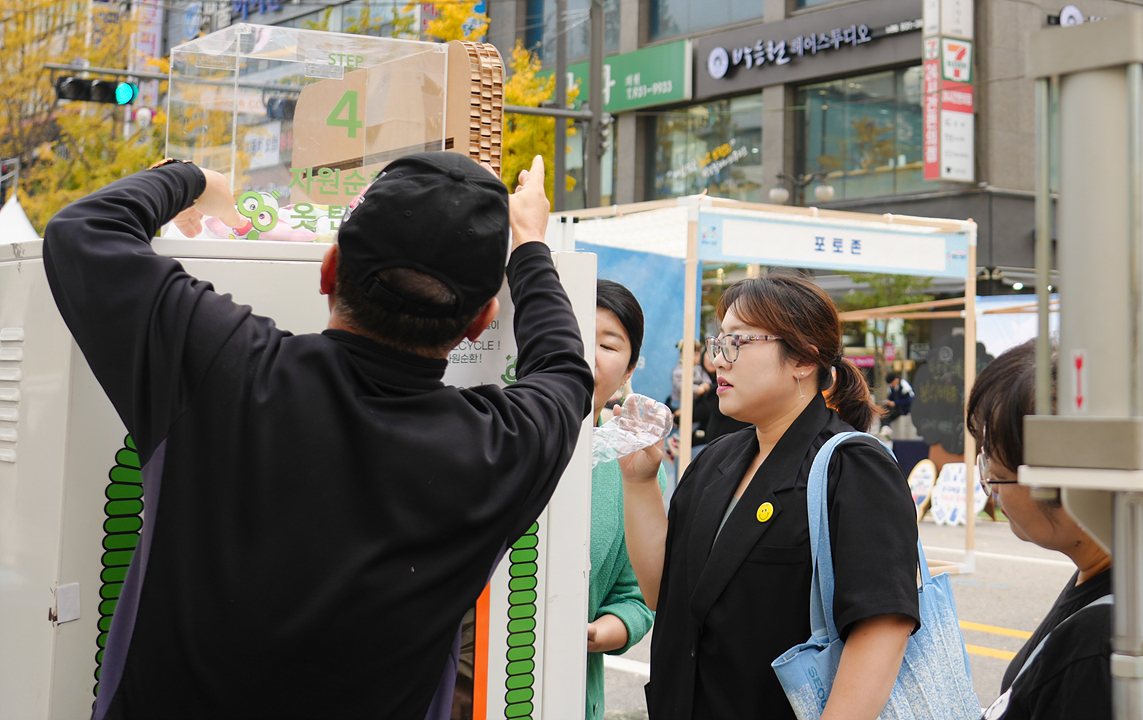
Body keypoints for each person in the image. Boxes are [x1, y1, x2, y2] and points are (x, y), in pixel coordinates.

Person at [42, 153, 594, 720]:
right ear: (482, 319)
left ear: (329, 270)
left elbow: (83, 231)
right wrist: (530, 245)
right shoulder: (500, 452)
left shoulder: (224, 365)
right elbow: (566, 373)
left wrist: (198, 181)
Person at [621, 274, 920, 720]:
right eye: (717, 342)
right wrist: (640, 483)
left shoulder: (853, 465)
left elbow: (882, 625)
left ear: (802, 358)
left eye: (736, 342)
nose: (716, 361)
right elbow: (661, 593)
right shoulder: (719, 459)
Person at [965, 340, 1113, 720]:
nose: (992, 489)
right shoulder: (1103, 578)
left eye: (996, 474)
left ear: (1058, 479)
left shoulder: (1101, 639)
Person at [585, 279, 665, 720]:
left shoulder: (636, 462)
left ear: (630, 367)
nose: (587, 355)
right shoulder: (488, 428)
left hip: (566, 693)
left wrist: (598, 633)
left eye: (608, 345)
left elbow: (638, 595)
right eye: (572, 333)